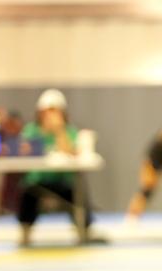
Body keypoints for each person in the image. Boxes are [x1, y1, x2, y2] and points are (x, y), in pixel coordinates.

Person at [16, 88, 103, 247]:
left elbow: (72, 152)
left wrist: (58, 130)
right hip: (38, 181)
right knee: (27, 194)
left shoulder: (69, 130)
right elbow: (24, 150)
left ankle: (84, 230)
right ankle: (25, 232)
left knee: (78, 193)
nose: (50, 115)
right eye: (47, 111)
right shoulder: (31, 130)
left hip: (62, 180)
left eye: (54, 111)